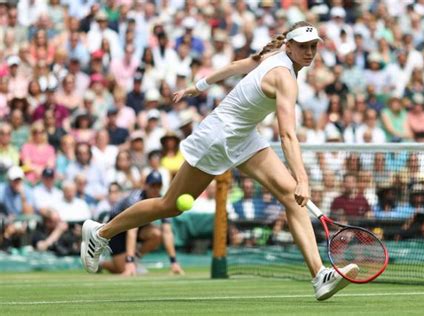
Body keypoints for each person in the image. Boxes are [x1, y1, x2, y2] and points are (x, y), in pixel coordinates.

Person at [81, 21, 358, 301]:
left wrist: (197, 86)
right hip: (218, 137)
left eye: (313, 47)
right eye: (303, 47)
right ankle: (101, 232)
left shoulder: (275, 54)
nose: (310, 52)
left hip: (243, 135)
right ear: (290, 45)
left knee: (290, 196)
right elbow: (286, 134)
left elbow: (240, 64)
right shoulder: (284, 77)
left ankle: (319, 275)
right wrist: (303, 178)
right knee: (169, 205)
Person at [99, 171, 184, 276]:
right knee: (122, 269)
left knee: (157, 234)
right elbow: (131, 230)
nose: (155, 189)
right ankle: (102, 264)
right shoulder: (135, 199)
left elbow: (167, 232)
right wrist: (129, 262)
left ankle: (135, 260)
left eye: (158, 186)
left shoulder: (163, 201)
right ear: (146, 185)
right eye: (153, 185)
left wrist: (174, 262)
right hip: (117, 229)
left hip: (138, 227)